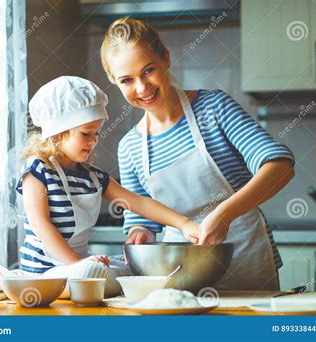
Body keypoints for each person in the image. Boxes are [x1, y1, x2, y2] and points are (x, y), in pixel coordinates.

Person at [100, 18, 295, 291]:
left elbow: (280, 166)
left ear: (166, 59)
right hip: (180, 276)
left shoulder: (214, 109)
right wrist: (139, 235)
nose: (142, 87)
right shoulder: (130, 146)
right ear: (115, 82)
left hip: (247, 263)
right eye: (127, 80)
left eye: (148, 70)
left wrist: (225, 214)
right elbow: (141, 219)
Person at [16, 76, 199, 296]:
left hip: (80, 269)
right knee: (92, 272)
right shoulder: (38, 170)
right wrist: (77, 264)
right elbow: (40, 224)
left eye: (96, 133)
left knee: (131, 268)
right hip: (44, 275)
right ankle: (91, 280)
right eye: (86, 134)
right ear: (58, 132)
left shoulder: (92, 177)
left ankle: (93, 280)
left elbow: (139, 202)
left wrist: (184, 223)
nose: (94, 141)